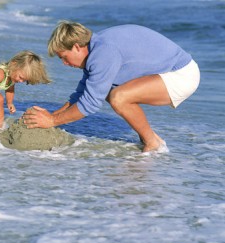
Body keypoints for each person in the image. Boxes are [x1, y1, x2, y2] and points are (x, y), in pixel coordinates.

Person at [23, 21, 200, 152]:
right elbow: (83, 94)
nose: (64, 63)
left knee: (119, 97)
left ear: (77, 47)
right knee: (109, 91)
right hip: (167, 73)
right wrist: (53, 116)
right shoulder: (97, 49)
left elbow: (90, 104)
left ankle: (152, 143)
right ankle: (151, 138)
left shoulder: (103, 53)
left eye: (64, 57)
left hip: (181, 75)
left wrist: (52, 121)